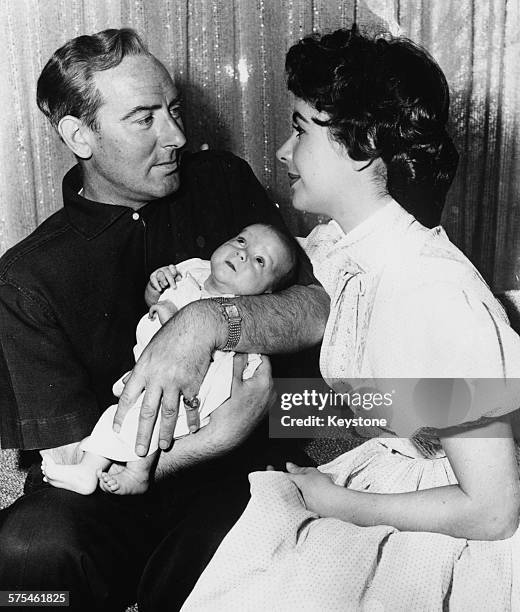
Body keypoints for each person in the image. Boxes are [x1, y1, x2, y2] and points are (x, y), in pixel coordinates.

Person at [180, 28, 520, 611]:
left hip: (462, 522)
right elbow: (395, 401)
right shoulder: (347, 247)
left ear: (360, 146)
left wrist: (337, 502)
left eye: (301, 129)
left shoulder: (436, 295)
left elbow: (493, 509)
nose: (284, 152)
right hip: (390, 464)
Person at [0, 28, 328, 612]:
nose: (176, 135)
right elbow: (74, 460)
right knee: (27, 568)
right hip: (114, 487)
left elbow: (318, 308)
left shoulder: (223, 182)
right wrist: (216, 436)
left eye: (173, 110)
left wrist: (206, 321)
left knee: (240, 566)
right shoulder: (28, 279)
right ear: (79, 136)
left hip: (240, 476)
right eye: (144, 118)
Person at [41, 223, 299, 496]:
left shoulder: (238, 307)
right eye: (241, 241)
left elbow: (200, 353)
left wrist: (172, 321)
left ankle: (106, 472)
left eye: (260, 260)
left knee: (134, 414)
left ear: (268, 293)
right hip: (151, 364)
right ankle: (111, 466)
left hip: (197, 383)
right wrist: (156, 287)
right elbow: (154, 300)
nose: (242, 254)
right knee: (133, 412)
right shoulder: (194, 269)